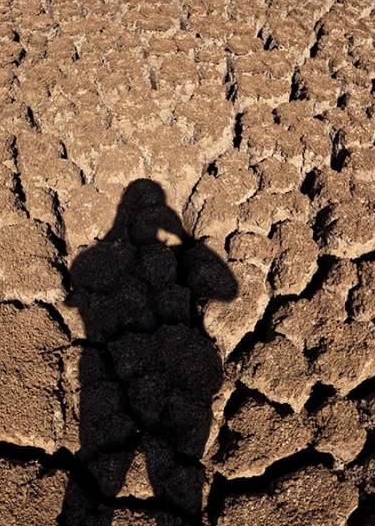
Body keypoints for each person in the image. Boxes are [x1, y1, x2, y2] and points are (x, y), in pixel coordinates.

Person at [61, 179, 237, 525]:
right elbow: (228, 289)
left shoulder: (88, 261)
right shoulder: (98, 261)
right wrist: (184, 240)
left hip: (112, 380)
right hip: (142, 381)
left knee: (102, 471)